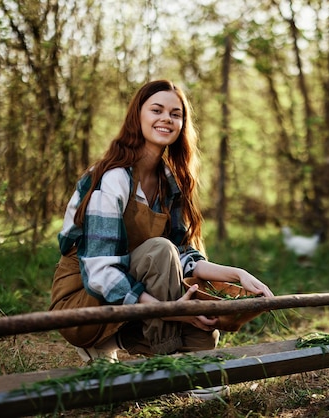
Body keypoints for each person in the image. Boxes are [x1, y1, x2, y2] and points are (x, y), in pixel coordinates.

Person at [50, 79, 274, 363]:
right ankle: (161, 355)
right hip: (82, 305)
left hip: (132, 294)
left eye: (175, 114)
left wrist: (237, 274)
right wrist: (171, 311)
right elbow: (100, 272)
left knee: (200, 318)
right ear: (138, 116)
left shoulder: (170, 184)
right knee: (160, 252)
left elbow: (180, 255)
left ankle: (195, 379)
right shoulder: (112, 179)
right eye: (156, 110)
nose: (166, 118)